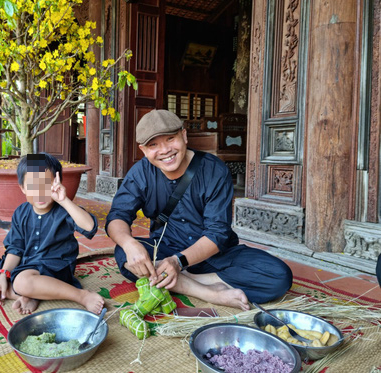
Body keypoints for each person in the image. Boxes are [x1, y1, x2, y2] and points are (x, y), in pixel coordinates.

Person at [106, 110, 293, 310]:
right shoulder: (141, 173)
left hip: (214, 255)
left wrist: (177, 263)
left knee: (279, 275)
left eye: (170, 139)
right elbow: (117, 216)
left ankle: (181, 279)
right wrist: (129, 243)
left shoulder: (214, 171)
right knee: (124, 252)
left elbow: (217, 234)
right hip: (166, 246)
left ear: (184, 136)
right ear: (143, 150)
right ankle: (205, 291)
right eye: (154, 145)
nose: (165, 150)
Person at [0, 153, 105, 315]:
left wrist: (64, 200)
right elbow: (15, 249)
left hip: (54, 269)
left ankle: (81, 296)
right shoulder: (21, 212)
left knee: (21, 281)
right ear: (22, 188)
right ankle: (28, 295)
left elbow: (90, 227)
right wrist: (3, 275)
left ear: (57, 183)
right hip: (25, 266)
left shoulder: (63, 210)